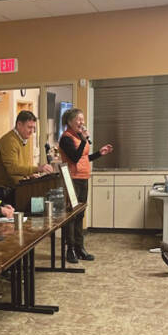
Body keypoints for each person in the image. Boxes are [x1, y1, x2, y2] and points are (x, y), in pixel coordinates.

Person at [58, 107, 113, 264]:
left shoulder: (78, 137)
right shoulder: (66, 138)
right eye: (78, 120)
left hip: (83, 177)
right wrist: (83, 139)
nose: (82, 123)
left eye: (82, 119)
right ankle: (70, 250)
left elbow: (83, 158)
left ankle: (80, 248)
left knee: (80, 214)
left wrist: (99, 153)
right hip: (72, 179)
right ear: (70, 121)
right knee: (71, 215)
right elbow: (74, 158)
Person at [0, 111, 53, 206]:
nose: (32, 131)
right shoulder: (10, 141)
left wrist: (29, 176)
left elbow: (20, 167)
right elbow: (12, 168)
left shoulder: (24, 140)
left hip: (11, 187)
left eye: (34, 128)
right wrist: (38, 168)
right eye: (29, 127)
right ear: (19, 125)